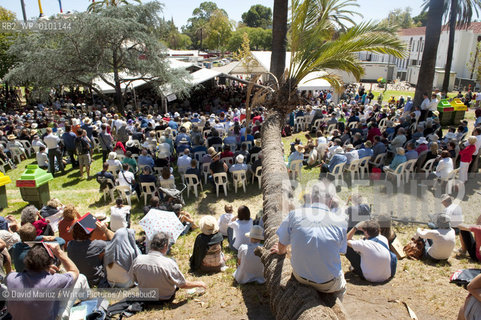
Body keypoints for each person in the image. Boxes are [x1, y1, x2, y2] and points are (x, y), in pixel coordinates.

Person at [272, 185, 347, 301]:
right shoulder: (340, 222)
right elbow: (341, 251)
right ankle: (338, 304)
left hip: (300, 277)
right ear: (330, 201)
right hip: (327, 283)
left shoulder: (294, 215)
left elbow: (282, 245)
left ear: (311, 198)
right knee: (342, 283)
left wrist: (281, 251)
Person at [6, 242, 80, 320]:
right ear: (49, 263)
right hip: (53, 316)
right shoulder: (55, 280)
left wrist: (45, 270)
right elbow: (75, 271)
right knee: (81, 278)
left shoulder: (10, 278)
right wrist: (59, 252)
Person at [129, 232, 206, 303]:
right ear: (165, 246)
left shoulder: (138, 260)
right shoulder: (168, 263)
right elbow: (182, 284)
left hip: (146, 297)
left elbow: (131, 279)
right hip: (165, 297)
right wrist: (198, 283)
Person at [67, 220, 114, 287]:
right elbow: (115, 241)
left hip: (79, 278)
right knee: (108, 252)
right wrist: (105, 230)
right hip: (96, 279)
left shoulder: (70, 245)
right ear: (90, 233)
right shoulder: (97, 245)